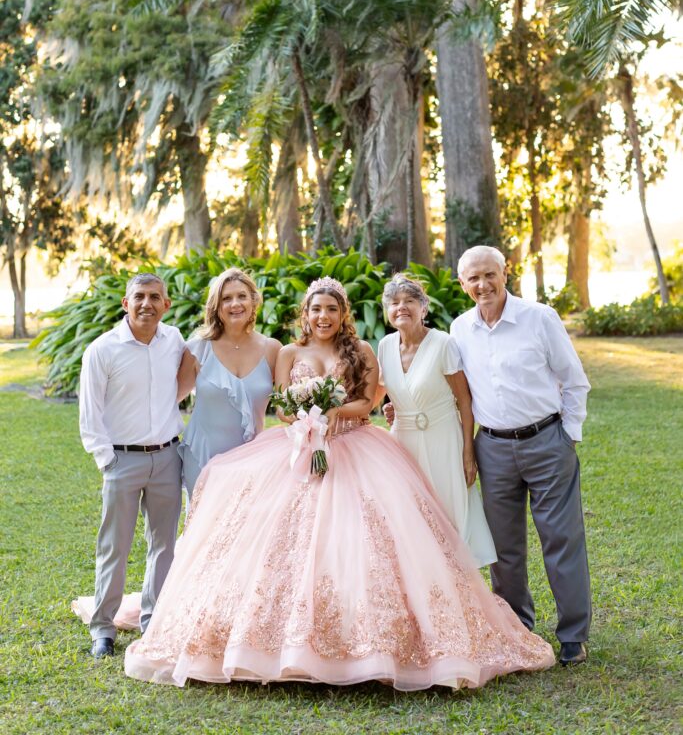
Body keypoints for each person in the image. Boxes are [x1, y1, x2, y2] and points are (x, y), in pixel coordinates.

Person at [124, 277, 554, 689]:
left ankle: (370, 642)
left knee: (364, 538)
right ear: (305, 314)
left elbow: (368, 401)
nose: (323, 316)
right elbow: (281, 406)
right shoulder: (289, 352)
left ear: (343, 313)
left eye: (332, 309)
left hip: (356, 448)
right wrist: (306, 421)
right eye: (316, 309)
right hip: (297, 450)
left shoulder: (363, 349)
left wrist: (333, 415)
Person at [451, 246, 591, 667]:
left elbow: (574, 381)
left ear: (505, 273)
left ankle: (572, 635)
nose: (482, 285)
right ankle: (517, 628)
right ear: (462, 284)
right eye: (473, 278)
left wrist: (568, 435)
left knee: (561, 539)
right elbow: (456, 394)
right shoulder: (459, 330)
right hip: (491, 447)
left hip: (547, 441)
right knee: (503, 546)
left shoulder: (539, 318)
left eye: (489, 275)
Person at [77, 273, 186, 659]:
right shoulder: (102, 350)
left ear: (166, 304)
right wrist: (108, 461)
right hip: (122, 460)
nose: (147, 304)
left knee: (164, 545)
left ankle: (153, 623)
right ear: (126, 303)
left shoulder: (174, 340)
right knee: (115, 546)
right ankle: (103, 629)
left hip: (168, 457)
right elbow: (89, 417)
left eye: (155, 297)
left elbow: (186, 382)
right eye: (139, 297)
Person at [378, 274, 496, 568]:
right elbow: (389, 392)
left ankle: (458, 586)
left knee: (449, 513)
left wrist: (469, 453)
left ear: (423, 307)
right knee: (411, 516)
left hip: (443, 439)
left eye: (409, 301)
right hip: (403, 442)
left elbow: (465, 401)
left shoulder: (443, 343)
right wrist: (393, 408)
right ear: (386, 311)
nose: (401, 307)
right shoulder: (384, 346)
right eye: (394, 303)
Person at [177, 267, 281, 498]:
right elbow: (172, 399)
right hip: (203, 456)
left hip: (251, 457)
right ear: (217, 306)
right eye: (227, 298)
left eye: (242, 296)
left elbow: (289, 403)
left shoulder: (272, 349)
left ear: (253, 301)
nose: (235, 304)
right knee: (203, 527)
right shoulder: (198, 348)